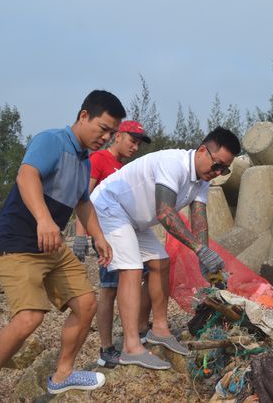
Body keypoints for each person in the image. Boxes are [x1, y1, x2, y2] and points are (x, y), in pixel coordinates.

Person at [0, 90, 126, 403]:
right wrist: (43, 219)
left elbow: (83, 202)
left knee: (86, 304)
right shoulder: (51, 140)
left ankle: (62, 375)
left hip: (50, 245)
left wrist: (99, 236)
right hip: (17, 241)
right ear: (83, 116)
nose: (106, 137)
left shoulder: (84, 161)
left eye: (112, 132)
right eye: (103, 128)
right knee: (29, 317)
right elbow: (26, 177)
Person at [90, 126, 240, 369]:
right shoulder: (174, 163)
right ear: (202, 151)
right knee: (131, 269)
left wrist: (205, 256)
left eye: (224, 169)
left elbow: (199, 218)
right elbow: (165, 212)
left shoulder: (201, 180)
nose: (218, 172)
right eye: (216, 165)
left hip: (134, 219)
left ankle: (159, 328)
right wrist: (200, 250)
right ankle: (130, 347)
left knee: (161, 263)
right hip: (109, 207)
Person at [71, 120, 154, 368]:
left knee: (144, 275)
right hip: (105, 235)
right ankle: (106, 347)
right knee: (108, 289)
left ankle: (138, 328)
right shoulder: (98, 160)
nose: (135, 147)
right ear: (118, 136)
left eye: (139, 143)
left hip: (125, 233)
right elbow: (84, 198)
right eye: (132, 140)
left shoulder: (123, 168)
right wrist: (81, 235)